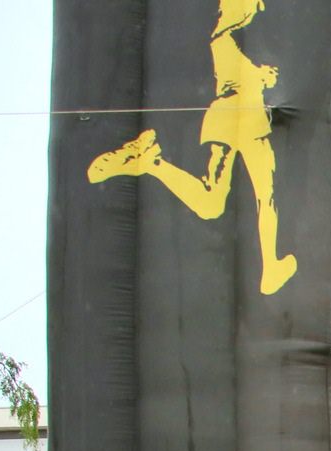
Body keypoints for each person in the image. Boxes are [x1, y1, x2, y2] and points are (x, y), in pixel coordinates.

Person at [85, 0, 299, 295]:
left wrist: (260, 76)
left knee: (216, 202)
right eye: (254, 5)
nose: (257, 10)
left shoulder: (227, 39)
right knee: (264, 195)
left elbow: (241, 74)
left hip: (232, 119)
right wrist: (262, 76)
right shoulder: (223, 38)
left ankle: (153, 163)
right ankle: (271, 266)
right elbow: (240, 77)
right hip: (242, 119)